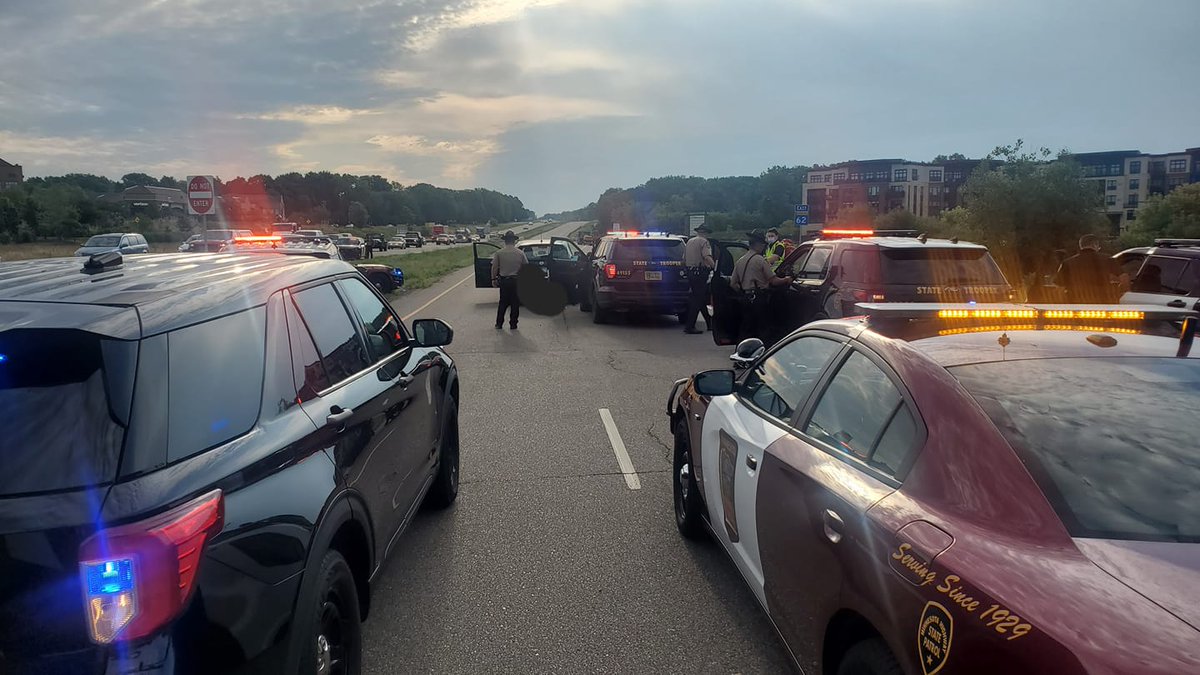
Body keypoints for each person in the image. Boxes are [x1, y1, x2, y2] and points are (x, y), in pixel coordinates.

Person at [731, 230, 793, 342]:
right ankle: (761, 352)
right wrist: (786, 280)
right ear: (758, 244)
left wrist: (743, 292)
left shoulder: (740, 261)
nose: (764, 247)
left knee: (746, 327)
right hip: (759, 298)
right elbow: (774, 281)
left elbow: (733, 283)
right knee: (762, 328)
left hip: (745, 298)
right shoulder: (760, 260)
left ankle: (742, 350)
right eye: (763, 244)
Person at [1054, 234, 1128, 304]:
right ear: (1095, 245)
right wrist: (1119, 293)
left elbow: (1059, 288)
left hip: (1075, 303)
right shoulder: (1107, 259)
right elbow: (1124, 278)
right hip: (1103, 302)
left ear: (1081, 246)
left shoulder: (1067, 262)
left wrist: (1064, 304)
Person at [682, 223, 716, 334]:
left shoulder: (689, 242)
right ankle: (690, 326)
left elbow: (684, 259)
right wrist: (714, 268)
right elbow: (707, 256)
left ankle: (709, 323)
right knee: (697, 300)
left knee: (700, 298)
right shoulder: (704, 242)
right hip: (700, 273)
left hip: (691, 272)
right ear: (705, 233)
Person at [492, 230, 528, 329]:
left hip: (504, 281)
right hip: (516, 281)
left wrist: (493, 279)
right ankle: (513, 324)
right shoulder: (520, 253)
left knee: (503, 303)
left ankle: (499, 323)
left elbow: (494, 267)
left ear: (505, 241)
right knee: (515, 303)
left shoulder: (499, 253)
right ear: (514, 241)